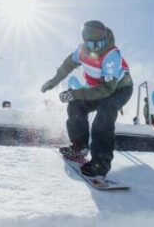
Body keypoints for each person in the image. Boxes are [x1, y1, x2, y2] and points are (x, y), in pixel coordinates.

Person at [41, 20, 133, 177]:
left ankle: (101, 162)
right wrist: (53, 81)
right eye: (92, 45)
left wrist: (77, 93)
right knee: (76, 105)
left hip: (119, 90)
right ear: (85, 42)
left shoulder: (111, 55)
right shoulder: (81, 51)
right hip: (98, 88)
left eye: (100, 44)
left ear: (105, 38)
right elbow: (67, 65)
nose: (97, 49)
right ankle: (79, 146)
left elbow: (107, 90)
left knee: (105, 113)